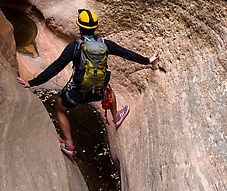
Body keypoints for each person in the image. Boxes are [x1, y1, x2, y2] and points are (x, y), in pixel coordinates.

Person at [17, 9, 159, 157]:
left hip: (78, 93)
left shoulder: (75, 47)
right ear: (95, 27)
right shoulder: (106, 44)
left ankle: (69, 143)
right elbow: (127, 53)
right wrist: (147, 60)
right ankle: (116, 115)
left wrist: (32, 82)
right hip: (98, 93)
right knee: (108, 88)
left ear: (79, 27)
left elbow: (55, 68)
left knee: (59, 108)